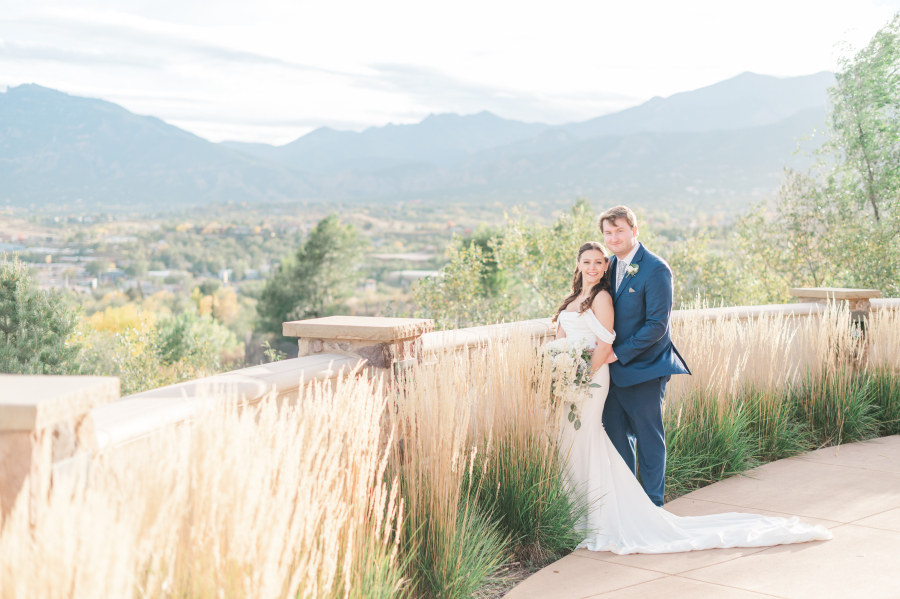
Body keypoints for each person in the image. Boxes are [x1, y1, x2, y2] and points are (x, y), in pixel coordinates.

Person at [552, 237, 831, 554]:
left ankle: (613, 513)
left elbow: (606, 343)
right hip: (571, 381)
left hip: (590, 379)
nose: (592, 267)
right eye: (586, 262)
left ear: (605, 266)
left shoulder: (603, 296)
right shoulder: (573, 297)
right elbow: (560, 341)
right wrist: (558, 371)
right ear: (578, 264)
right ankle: (578, 510)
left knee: (597, 437)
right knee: (574, 440)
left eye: (598, 262)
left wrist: (579, 375)